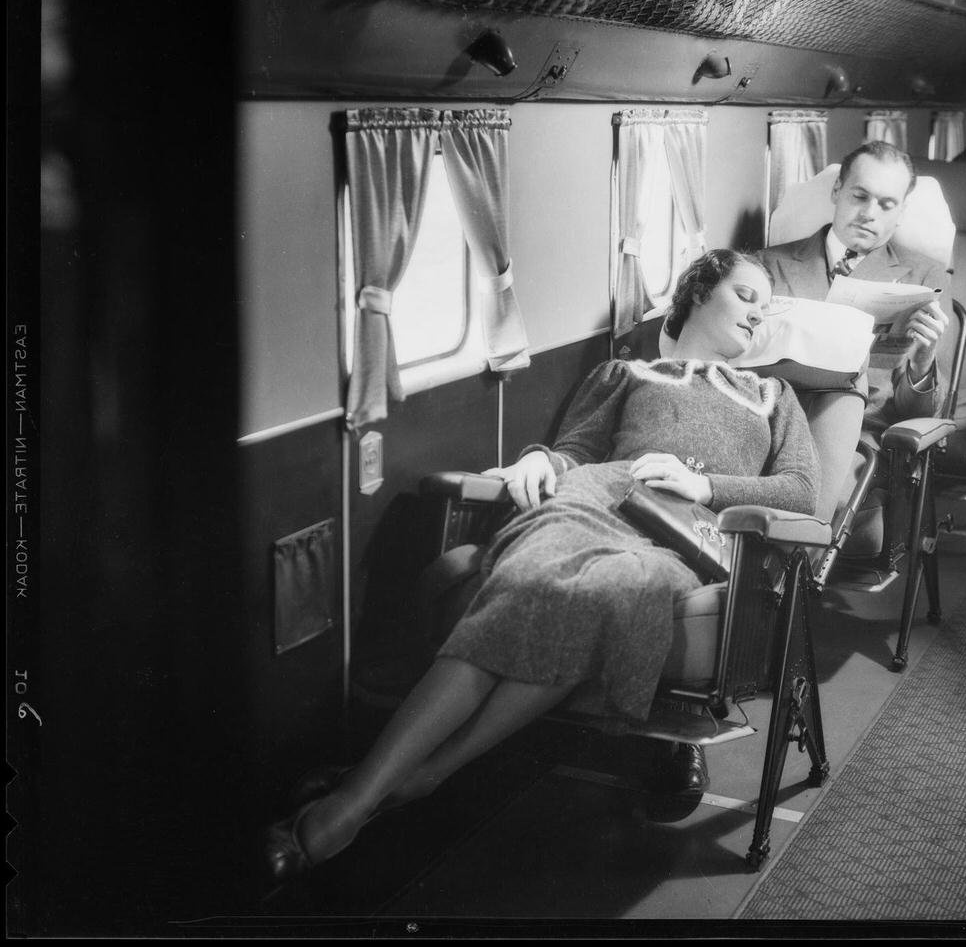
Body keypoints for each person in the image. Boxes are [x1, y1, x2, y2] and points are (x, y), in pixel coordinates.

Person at [263, 250, 820, 880]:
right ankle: (364, 794)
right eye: (746, 295)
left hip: (683, 538)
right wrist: (539, 461)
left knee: (613, 588)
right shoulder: (626, 374)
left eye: (765, 306)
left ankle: (418, 775)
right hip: (595, 499)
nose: (759, 312)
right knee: (529, 581)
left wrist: (707, 487)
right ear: (698, 293)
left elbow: (802, 491)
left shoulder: (776, 397)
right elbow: (575, 449)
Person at [758, 141, 949, 550]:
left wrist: (924, 359)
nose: (869, 213)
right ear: (837, 192)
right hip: (770, 424)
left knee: (802, 497)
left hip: (858, 437)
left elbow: (919, 412)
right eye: (859, 196)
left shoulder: (923, 276)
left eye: (886, 204)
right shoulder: (770, 265)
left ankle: (775, 597)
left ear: (900, 213)